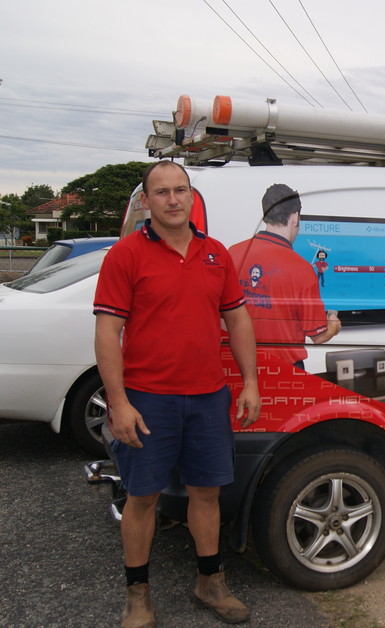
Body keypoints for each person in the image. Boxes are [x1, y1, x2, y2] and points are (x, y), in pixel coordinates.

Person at [94, 161, 261, 627]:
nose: (172, 199)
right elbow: (108, 333)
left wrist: (249, 383)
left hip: (208, 397)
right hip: (148, 399)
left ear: (192, 197)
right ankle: (138, 596)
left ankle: (210, 582)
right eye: (162, 192)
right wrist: (119, 402)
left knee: (205, 493)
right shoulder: (125, 255)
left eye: (180, 190)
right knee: (143, 497)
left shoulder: (216, 254)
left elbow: (238, 319)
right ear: (146, 201)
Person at [228, 183, 341, 369]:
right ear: (295, 217)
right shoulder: (301, 269)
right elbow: (319, 336)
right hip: (283, 370)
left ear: (265, 215)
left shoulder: (233, 254)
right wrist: (334, 324)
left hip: (237, 365)